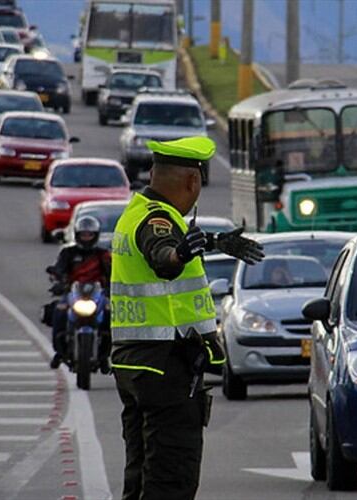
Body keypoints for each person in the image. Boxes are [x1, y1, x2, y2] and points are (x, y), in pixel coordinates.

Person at [110, 136, 264, 500]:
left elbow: (165, 244)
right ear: (192, 182)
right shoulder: (159, 220)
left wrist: (212, 242)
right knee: (171, 475)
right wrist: (178, 254)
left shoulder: (135, 211)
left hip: (134, 364)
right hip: (165, 367)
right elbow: (162, 255)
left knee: (141, 473)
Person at [47, 215, 111, 369]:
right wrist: (58, 281)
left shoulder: (102, 254)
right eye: (83, 234)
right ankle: (59, 352)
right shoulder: (68, 253)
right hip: (73, 293)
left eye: (89, 234)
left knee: (110, 315)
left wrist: (112, 287)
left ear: (95, 236)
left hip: (97, 294)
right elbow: (59, 269)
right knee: (59, 312)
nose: (86, 238)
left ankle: (104, 356)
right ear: (77, 235)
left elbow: (112, 273)